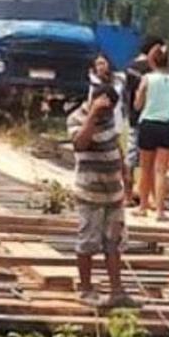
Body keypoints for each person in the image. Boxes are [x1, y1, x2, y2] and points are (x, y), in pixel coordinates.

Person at [67, 84, 137, 309]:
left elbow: (116, 145)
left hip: (113, 194)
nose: (108, 114)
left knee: (114, 243)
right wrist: (93, 115)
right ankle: (86, 289)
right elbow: (80, 144)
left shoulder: (109, 119)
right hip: (90, 194)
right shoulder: (77, 118)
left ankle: (117, 291)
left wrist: (126, 176)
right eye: (105, 109)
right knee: (88, 241)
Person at [133, 43, 169, 221]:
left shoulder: (147, 79)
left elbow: (138, 104)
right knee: (161, 170)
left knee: (145, 168)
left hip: (149, 123)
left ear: (152, 61)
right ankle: (160, 211)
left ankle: (143, 206)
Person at [124, 36, 164, 199]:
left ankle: (127, 195)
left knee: (131, 157)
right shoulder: (152, 70)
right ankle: (149, 197)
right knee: (150, 160)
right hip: (151, 119)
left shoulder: (130, 67)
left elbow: (128, 94)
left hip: (134, 117)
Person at [88, 53, 130, 204]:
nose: (100, 67)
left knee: (121, 159)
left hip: (116, 122)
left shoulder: (118, 80)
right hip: (99, 124)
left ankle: (128, 194)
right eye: (98, 64)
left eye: (103, 63)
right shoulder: (93, 82)